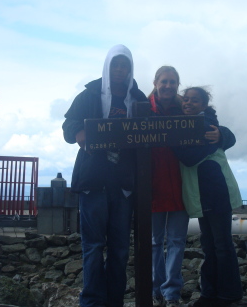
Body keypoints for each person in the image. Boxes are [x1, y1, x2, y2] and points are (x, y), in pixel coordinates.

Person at [62, 44, 147, 307]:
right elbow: (68, 127)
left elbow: (153, 129)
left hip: (123, 185)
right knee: (93, 246)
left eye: (125, 65)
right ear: (108, 66)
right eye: (116, 65)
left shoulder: (138, 97)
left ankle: (115, 301)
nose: (120, 70)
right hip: (93, 183)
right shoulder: (89, 95)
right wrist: (80, 134)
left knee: (121, 249)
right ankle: (91, 302)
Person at [148, 67, 236, 307]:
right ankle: (162, 292)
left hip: (191, 190)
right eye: (163, 81)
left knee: (202, 243)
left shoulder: (193, 114)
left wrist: (224, 135)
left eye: (172, 82)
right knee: (201, 244)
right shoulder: (144, 107)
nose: (168, 86)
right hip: (162, 188)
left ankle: (177, 294)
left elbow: (203, 141)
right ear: (155, 82)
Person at [175, 86, 243, 307]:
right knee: (211, 244)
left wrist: (173, 142)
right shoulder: (200, 125)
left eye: (194, 100)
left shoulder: (205, 125)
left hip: (215, 192)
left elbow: (188, 156)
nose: (188, 103)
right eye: (185, 99)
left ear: (204, 105)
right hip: (206, 194)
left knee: (220, 245)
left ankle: (227, 295)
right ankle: (213, 293)